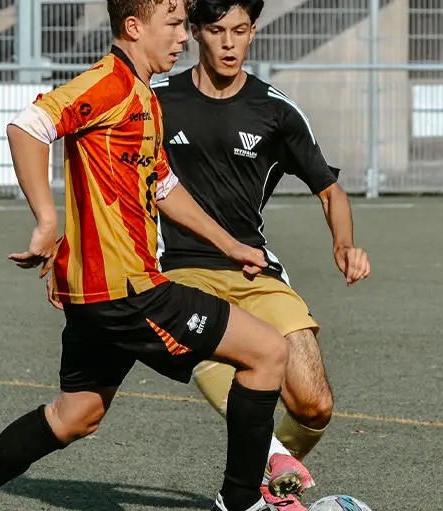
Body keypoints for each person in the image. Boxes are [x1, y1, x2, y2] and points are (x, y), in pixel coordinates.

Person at [0, 1, 292, 510]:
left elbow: (163, 184)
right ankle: (243, 503)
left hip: (98, 292)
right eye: (174, 25)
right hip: (129, 290)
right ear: (134, 28)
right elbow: (28, 126)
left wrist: (232, 245)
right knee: (268, 353)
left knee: (76, 415)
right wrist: (47, 220)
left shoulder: (143, 96)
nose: (184, 37)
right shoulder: (108, 83)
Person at [151, 0, 371, 508]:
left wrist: (343, 244)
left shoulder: (277, 110)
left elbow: (330, 189)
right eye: (217, 31)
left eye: (240, 31)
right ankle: (266, 462)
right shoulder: (154, 100)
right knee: (219, 349)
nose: (229, 44)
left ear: (252, 32)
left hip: (254, 267)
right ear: (197, 34)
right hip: (179, 268)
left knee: (314, 404)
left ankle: (268, 475)